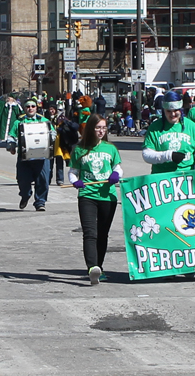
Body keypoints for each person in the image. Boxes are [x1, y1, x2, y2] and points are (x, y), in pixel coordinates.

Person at [68, 114, 123, 285]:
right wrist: (75, 181)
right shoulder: (79, 149)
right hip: (87, 195)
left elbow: (118, 168)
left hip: (108, 196)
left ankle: (100, 267)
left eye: (104, 127)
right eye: (98, 127)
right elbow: (73, 171)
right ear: (90, 128)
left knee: (103, 234)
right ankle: (92, 267)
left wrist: (115, 174)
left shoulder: (110, 148)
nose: (101, 131)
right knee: (90, 233)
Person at [7, 98, 55, 211]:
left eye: (33, 106)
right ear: (24, 108)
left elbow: (53, 132)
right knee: (23, 180)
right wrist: (11, 145)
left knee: (43, 180)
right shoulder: (19, 122)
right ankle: (25, 195)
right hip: (24, 157)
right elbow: (11, 136)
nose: (30, 108)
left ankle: (40, 202)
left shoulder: (44, 121)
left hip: (42, 156)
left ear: (36, 108)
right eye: (28, 106)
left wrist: (50, 139)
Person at [142, 91, 195, 174]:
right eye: (168, 111)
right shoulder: (154, 127)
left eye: (176, 110)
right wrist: (168, 156)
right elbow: (147, 154)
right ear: (164, 110)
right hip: (162, 176)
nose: (172, 114)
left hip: (187, 175)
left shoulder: (191, 126)